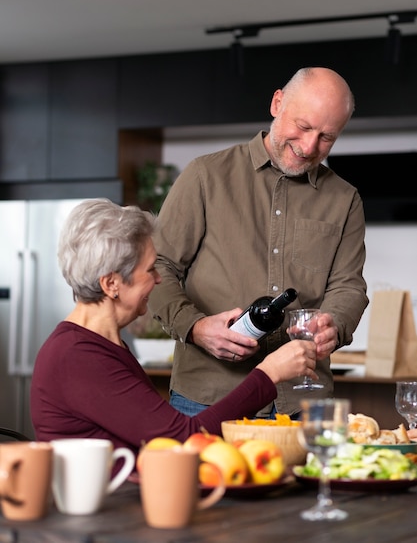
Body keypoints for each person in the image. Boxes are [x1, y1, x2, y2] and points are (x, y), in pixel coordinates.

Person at [148, 66, 369, 419]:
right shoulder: (205, 176)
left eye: (327, 137)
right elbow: (158, 266)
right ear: (277, 102)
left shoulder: (345, 199)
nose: (310, 146)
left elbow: (348, 285)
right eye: (304, 126)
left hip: (303, 400)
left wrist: (335, 323)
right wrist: (196, 328)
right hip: (210, 395)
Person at [30, 198, 317, 458]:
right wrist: (270, 374)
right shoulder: (77, 356)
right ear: (111, 284)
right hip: (107, 511)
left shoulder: (100, 343)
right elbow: (183, 439)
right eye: (150, 269)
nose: (158, 280)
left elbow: (157, 433)